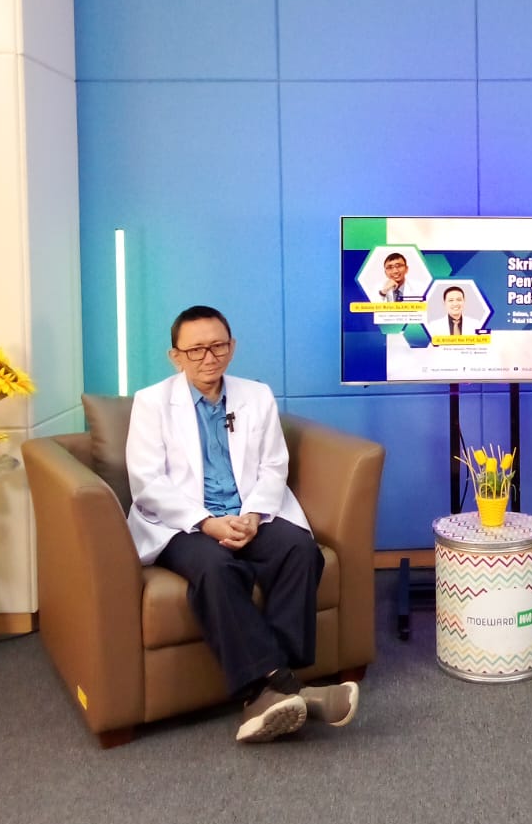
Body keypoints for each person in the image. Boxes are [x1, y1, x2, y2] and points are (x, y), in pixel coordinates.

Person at [125, 305, 359, 743]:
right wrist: (206, 522)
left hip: (250, 510)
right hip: (182, 522)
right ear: (175, 357)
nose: (208, 357)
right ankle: (288, 686)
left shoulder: (256, 395)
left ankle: (266, 696)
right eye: (195, 350)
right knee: (216, 568)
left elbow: (274, 466)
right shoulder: (151, 402)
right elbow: (147, 483)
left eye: (217, 346)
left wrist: (252, 514)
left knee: (299, 551)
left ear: (232, 348)